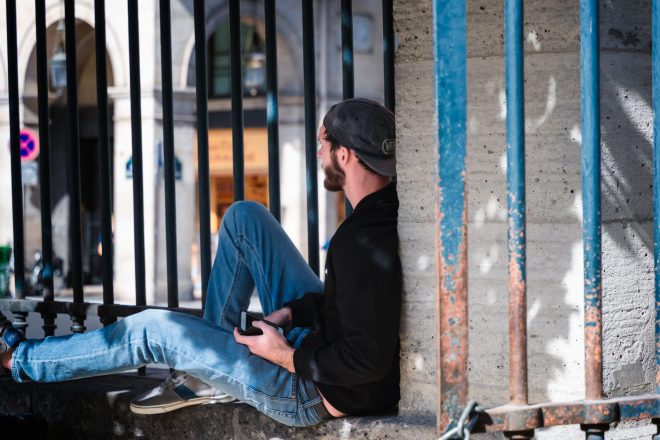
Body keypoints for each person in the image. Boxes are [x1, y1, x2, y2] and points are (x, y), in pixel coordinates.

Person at [0, 98, 402, 427]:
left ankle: (21, 359)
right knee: (246, 217)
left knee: (150, 329)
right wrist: (288, 313)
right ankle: (205, 376)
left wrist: (282, 355)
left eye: (325, 141)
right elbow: (348, 307)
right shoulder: (388, 212)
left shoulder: (358, 242)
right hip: (316, 345)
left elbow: (366, 359)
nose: (319, 150)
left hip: (310, 392)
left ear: (345, 156)